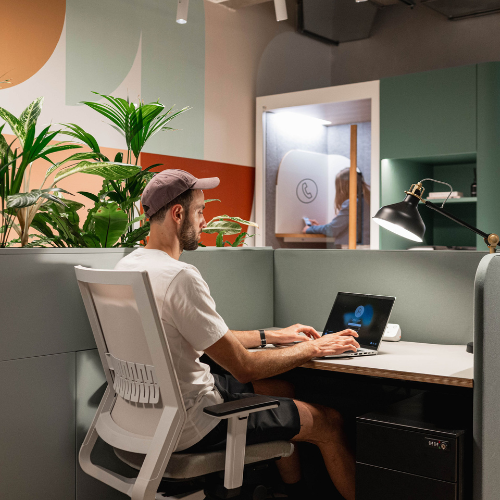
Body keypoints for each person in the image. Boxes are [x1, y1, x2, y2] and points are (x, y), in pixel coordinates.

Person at [115, 169, 359, 500]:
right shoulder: (179, 276)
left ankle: (288, 494)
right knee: (329, 422)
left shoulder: (129, 267)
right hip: (197, 422)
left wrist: (271, 335)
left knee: (278, 387)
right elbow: (244, 367)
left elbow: (208, 337)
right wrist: (316, 348)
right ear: (178, 214)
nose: (204, 220)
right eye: (200, 211)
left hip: (140, 415)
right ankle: (300, 490)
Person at [303, 168, 370, 246]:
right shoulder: (368, 200)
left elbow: (332, 229)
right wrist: (319, 228)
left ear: (342, 187)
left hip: (352, 249)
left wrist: (310, 229)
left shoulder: (352, 203)